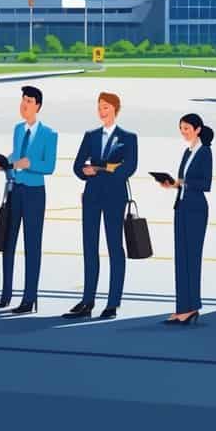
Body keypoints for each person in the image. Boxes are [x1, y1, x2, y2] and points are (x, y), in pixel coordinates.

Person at [64, 92, 138, 320]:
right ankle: (87, 301)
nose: (101, 111)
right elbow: (77, 166)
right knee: (89, 247)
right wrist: (90, 171)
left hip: (115, 197)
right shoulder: (91, 136)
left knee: (115, 248)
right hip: (92, 196)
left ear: (116, 108)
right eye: (99, 107)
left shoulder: (128, 137)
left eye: (105, 107)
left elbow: (129, 168)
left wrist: (100, 168)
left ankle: (113, 303)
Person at [0, 85, 58, 314]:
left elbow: (49, 166)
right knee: (8, 242)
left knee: (32, 245)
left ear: (38, 106)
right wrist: (5, 163)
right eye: (23, 100)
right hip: (15, 190)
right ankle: (5, 295)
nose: (24, 105)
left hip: (34, 194)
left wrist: (30, 164)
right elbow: (16, 155)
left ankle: (29, 298)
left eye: (29, 101)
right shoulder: (18, 129)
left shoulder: (49, 134)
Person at [158, 113, 213, 325]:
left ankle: (192, 307)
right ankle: (183, 308)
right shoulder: (187, 152)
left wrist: (182, 183)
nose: (183, 132)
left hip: (196, 209)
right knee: (181, 259)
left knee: (192, 258)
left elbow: (205, 183)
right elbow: (183, 181)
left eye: (187, 129)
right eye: (181, 129)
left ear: (198, 129)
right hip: (181, 206)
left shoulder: (205, 152)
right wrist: (173, 184)